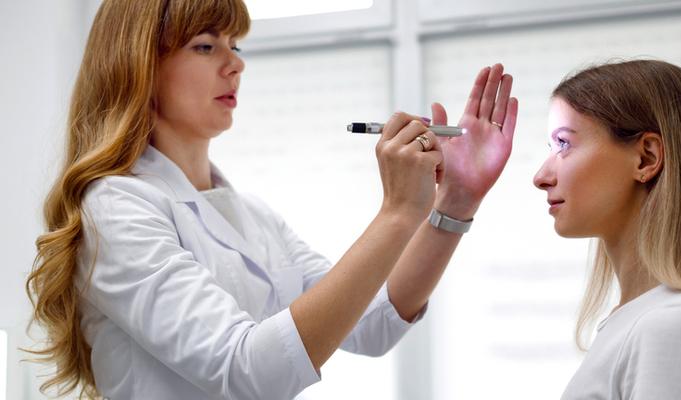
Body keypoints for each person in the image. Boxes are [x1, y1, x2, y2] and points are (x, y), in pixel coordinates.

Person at [25, 1, 518, 399]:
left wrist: (454, 201)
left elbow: (374, 324)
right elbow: (248, 372)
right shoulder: (114, 206)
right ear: (138, 64)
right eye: (205, 45)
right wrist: (397, 213)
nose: (236, 63)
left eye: (234, 45)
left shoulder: (252, 215)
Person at [533, 60, 681, 399]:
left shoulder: (676, 327)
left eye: (564, 144)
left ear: (646, 158)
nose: (541, 177)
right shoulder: (652, 321)